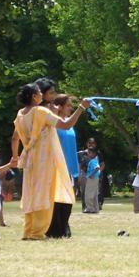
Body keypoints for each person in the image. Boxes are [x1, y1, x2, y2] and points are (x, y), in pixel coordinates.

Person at [11, 84, 90, 240]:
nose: (42, 95)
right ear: (34, 96)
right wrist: (81, 107)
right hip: (44, 160)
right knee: (43, 194)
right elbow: (66, 125)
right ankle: (37, 232)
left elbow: (15, 138)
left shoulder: (20, 114)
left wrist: (15, 156)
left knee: (30, 194)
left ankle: (29, 231)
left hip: (29, 160)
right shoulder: (41, 111)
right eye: (40, 93)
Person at [48, 94, 80, 238]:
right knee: (58, 200)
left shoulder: (68, 123)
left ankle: (64, 227)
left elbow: (70, 125)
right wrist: (81, 108)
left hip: (70, 167)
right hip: (57, 166)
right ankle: (57, 229)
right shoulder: (55, 123)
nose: (70, 108)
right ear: (59, 106)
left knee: (68, 200)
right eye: (68, 105)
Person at [83, 149, 102, 214]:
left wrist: (92, 175)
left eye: (89, 153)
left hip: (92, 178)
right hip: (95, 178)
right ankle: (95, 209)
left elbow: (97, 168)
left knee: (88, 194)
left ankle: (90, 208)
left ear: (94, 154)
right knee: (94, 194)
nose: (88, 154)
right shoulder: (94, 161)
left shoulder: (93, 161)